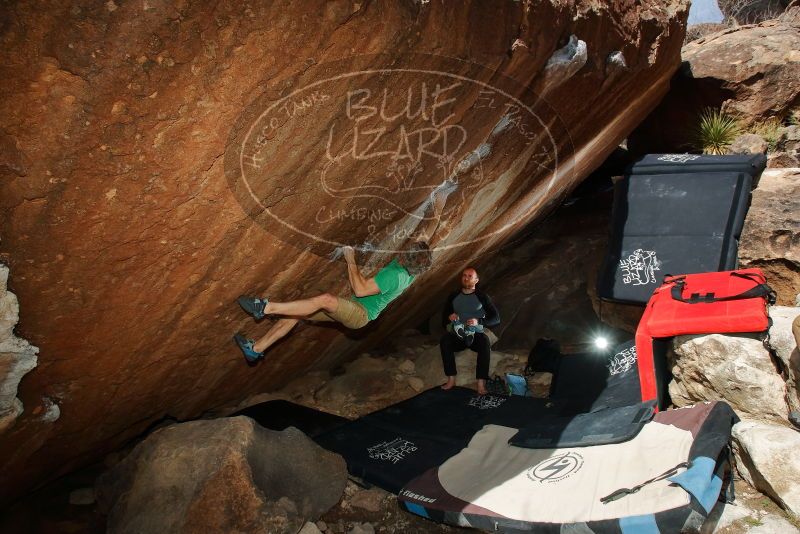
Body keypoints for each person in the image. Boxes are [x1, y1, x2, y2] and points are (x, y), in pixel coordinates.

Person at [233, 194, 446, 363]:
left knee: (325, 299)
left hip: (360, 315)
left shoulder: (395, 276)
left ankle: (265, 308)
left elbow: (361, 290)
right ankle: (256, 349)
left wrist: (350, 257)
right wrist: (439, 203)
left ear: (407, 260)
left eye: (409, 249)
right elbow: (426, 233)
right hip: (354, 308)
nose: (409, 245)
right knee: (297, 312)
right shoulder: (413, 264)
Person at [439, 267, 500, 395]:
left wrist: (479, 321)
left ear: (476, 280)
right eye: (464, 275)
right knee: (445, 340)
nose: (466, 278)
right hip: (459, 333)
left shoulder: (482, 296)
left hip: (475, 334)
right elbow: (444, 319)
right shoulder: (454, 296)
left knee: (484, 341)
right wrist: (449, 317)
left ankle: (481, 383)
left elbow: (496, 319)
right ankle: (451, 379)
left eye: (470, 276)